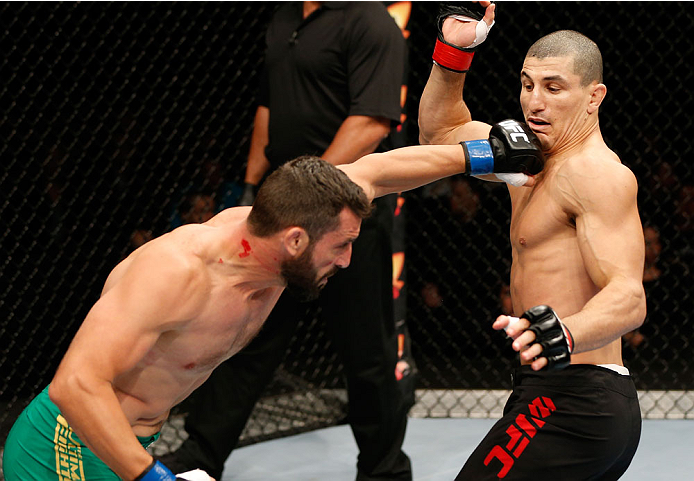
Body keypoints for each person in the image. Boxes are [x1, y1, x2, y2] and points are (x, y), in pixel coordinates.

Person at [3, 111, 543, 480]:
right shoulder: (176, 273)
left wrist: (481, 155)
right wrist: (153, 476)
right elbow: (76, 385)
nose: (347, 261)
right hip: (64, 446)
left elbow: (376, 171)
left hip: (131, 441)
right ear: (294, 239)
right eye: (341, 246)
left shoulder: (288, 221)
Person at [160, 2, 415, 480]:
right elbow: (268, 106)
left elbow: (372, 120)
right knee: (244, 335)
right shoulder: (283, 18)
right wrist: (253, 190)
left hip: (346, 224)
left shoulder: (369, 21)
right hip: (279, 219)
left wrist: (308, 194)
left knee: (367, 354)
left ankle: (386, 471)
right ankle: (201, 453)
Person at [417, 3, 646, 479]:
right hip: (546, 389)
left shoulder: (596, 175)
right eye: (527, 85)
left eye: (554, 88)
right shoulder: (526, 157)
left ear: (593, 97)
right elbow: (439, 133)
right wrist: (453, 52)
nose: (534, 102)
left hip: (578, 400)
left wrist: (564, 333)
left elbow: (628, 299)